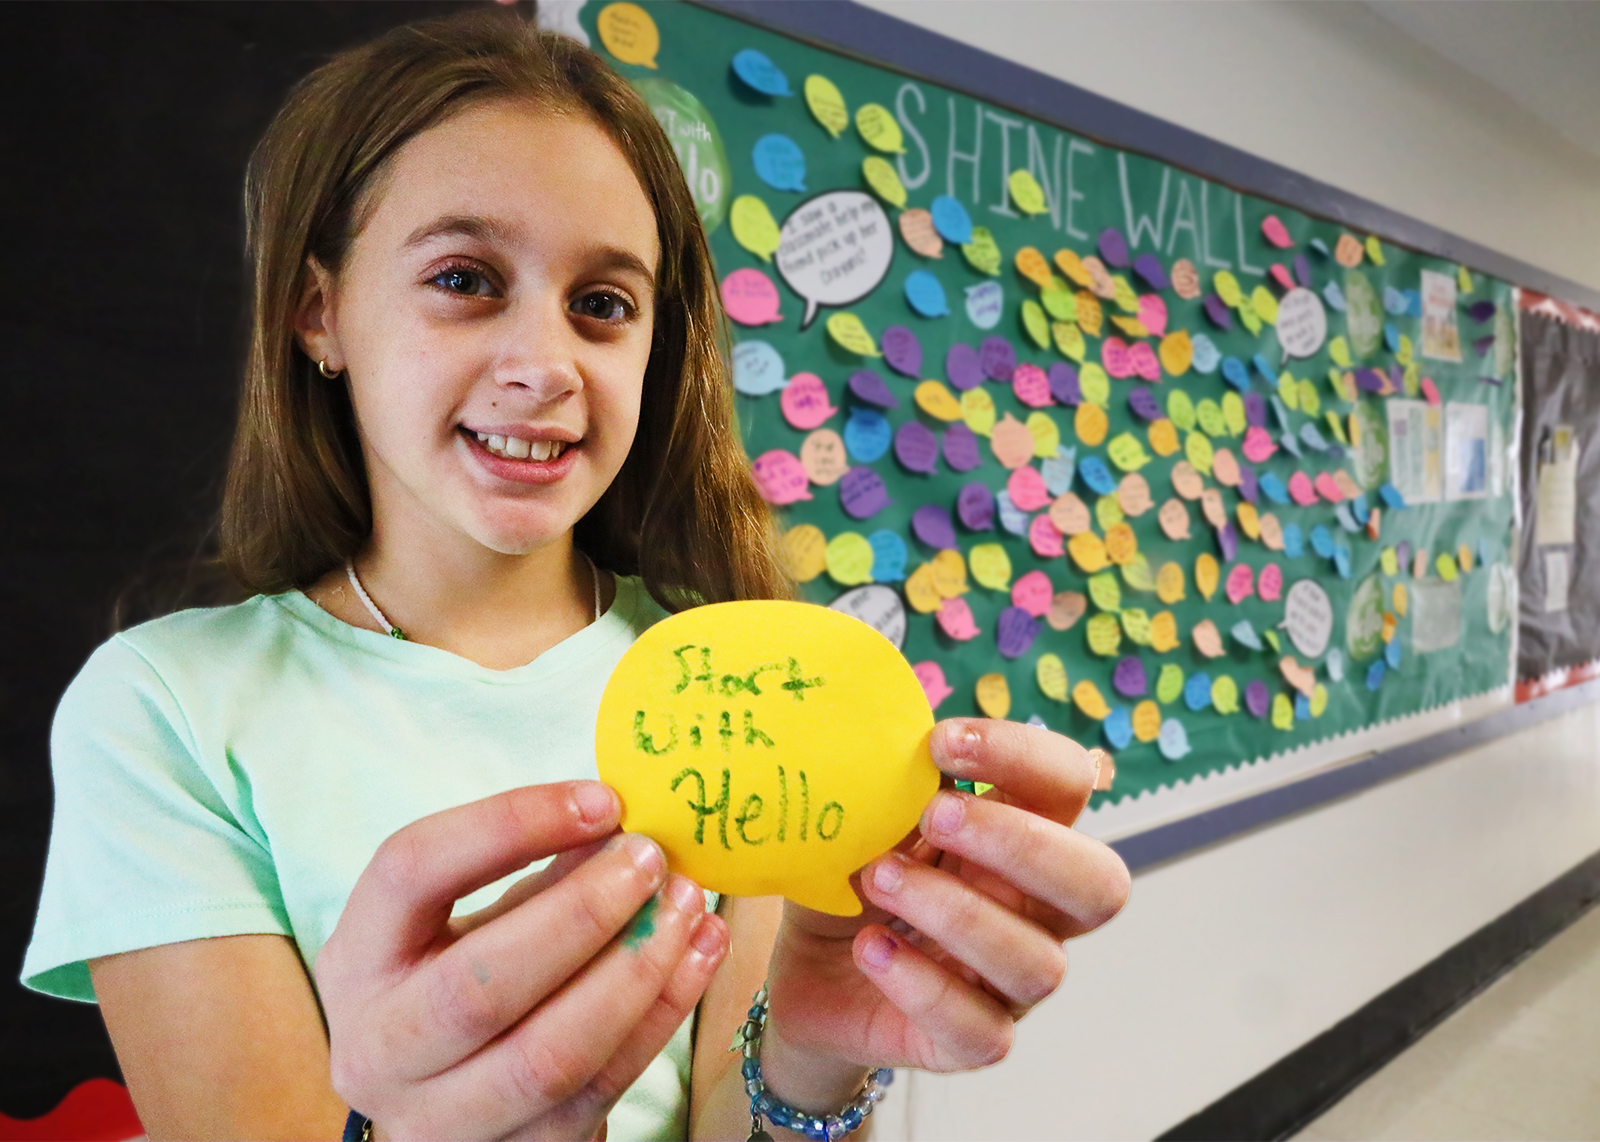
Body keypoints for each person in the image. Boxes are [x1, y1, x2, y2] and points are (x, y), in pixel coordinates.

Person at [23, 11, 1130, 1140]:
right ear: (322, 310)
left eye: (603, 304)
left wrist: (807, 1064)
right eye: (463, 277)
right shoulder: (165, 709)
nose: (545, 367)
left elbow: (732, 1118)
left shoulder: (728, 681)